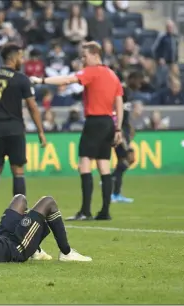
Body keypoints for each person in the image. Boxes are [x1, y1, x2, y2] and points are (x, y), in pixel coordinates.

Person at [30, 41, 124, 221]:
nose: (82, 59)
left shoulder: (92, 71)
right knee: (104, 165)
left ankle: (85, 211)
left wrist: (42, 80)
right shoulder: (113, 75)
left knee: (85, 164)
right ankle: (105, 211)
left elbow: (67, 80)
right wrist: (118, 127)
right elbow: (118, 102)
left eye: (85, 56)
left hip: (94, 122)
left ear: (96, 55)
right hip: (109, 122)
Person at [0, 44, 46, 224]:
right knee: (18, 170)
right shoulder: (21, 79)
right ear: (14, 57)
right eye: (21, 56)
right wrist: (41, 131)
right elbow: (32, 107)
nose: (23, 60)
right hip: (15, 129)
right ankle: (19, 213)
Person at [111, 87, 136, 204]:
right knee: (129, 158)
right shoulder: (119, 104)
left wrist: (130, 128)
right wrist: (121, 135)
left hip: (123, 134)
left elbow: (125, 120)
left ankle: (115, 192)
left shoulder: (124, 104)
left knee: (122, 162)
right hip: (120, 136)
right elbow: (117, 120)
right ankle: (110, 180)